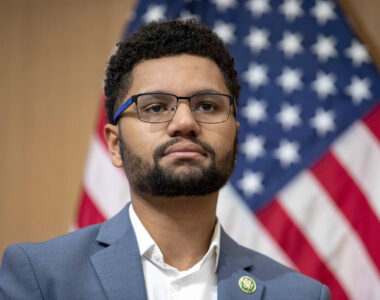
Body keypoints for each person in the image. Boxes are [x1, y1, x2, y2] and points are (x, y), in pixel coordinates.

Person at [0, 20, 330, 300]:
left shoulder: (300, 295)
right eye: (155, 107)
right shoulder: (42, 277)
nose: (185, 122)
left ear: (235, 135)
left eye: (207, 106)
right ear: (115, 145)